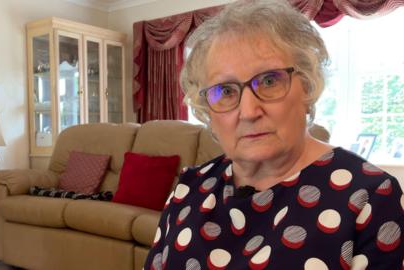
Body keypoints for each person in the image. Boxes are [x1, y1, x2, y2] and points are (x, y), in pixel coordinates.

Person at [144, 0, 404, 269]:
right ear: (207, 110)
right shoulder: (188, 188)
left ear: (307, 86)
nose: (248, 111)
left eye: (269, 81)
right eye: (226, 91)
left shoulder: (369, 197)